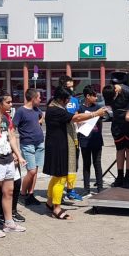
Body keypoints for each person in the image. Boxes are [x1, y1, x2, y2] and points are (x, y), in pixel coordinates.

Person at [44, 86, 107, 219]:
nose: (69, 102)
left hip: (56, 145)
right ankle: (56, 208)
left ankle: (50, 203)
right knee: (61, 177)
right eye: (67, 99)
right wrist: (95, 113)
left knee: (56, 176)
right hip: (59, 147)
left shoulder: (53, 107)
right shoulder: (56, 110)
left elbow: (74, 119)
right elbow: (76, 118)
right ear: (62, 99)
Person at [0, 88, 26, 238]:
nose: (11, 104)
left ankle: (9, 222)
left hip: (8, 158)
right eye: (8, 102)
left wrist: (18, 155)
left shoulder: (7, 117)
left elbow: (12, 136)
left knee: (8, 192)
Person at [102, 76, 129, 189]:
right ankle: (120, 176)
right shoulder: (108, 93)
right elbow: (109, 105)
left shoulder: (127, 91)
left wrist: (123, 88)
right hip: (117, 124)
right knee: (120, 150)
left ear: (117, 90)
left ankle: (127, 176)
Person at [14, 89, 45, 206]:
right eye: (39, 98)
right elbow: (13, 128)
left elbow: (40, 118)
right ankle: (22, 194)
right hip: (28, 144)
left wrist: (40, 121)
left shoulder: (37, 110)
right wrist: (15, 149)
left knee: (35, 170)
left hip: (39, 143)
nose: (40, 100)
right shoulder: (21, 111)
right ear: (33, 98)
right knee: (31, 171)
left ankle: (31, 194)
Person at [59, 76, 83, 201]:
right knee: (63, 164)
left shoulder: (74, 100)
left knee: (73, 163)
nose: (71, 89)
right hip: (62, 136)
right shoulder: (57, 102)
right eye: (69, 87)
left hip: (74, 134)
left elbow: (78, 115)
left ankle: (70, 189)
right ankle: (59, 190)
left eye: (72, 86)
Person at [78, 86, 105, 193]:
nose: (96, 98)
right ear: (87, 96)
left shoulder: (98, 107)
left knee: (97, 163)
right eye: (94, 96)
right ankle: (86, 189)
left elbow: (101, 123)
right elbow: (77, 121)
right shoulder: (80, 109)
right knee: (86, 164)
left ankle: (100, 187)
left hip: (96, 139)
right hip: (84, 140)